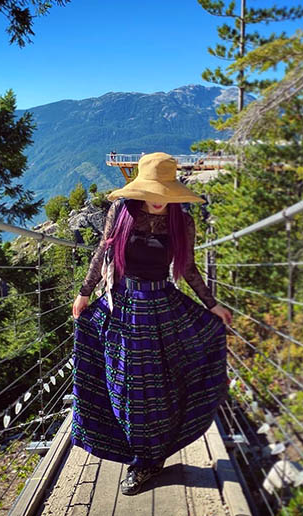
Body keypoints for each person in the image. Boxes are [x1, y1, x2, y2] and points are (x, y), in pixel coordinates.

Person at [71, 152, 232, 496]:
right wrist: (84, 293)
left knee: (159, 385)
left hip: (162, 304)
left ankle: (148, 460)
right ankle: (137, 454)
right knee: (125, 384)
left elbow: (187, 268)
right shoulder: (123, 211)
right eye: (154, 192)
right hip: (124, 306)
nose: (160, 201)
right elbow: (103, 251)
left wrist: (213, 305)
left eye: (166, 193)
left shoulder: (181, 220)